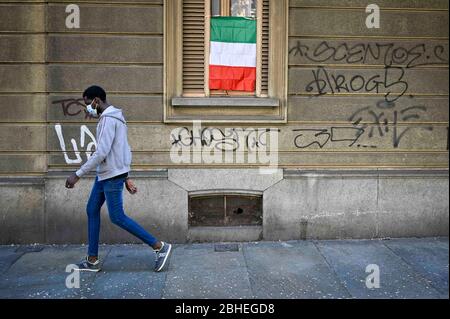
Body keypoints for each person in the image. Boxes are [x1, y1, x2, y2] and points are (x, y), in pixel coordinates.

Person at [65, 85, 172, 272]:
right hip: (107, 174)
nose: (88, 108)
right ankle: (92, 260)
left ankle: (160, 247)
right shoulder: (117, 118)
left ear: (97, 100)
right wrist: (126, 177)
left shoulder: (108, 119)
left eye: (89, 103)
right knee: (92, 209)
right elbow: (122, 150)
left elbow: (102, 153)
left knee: (117, 217)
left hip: (111, 175)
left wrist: (77, 174)